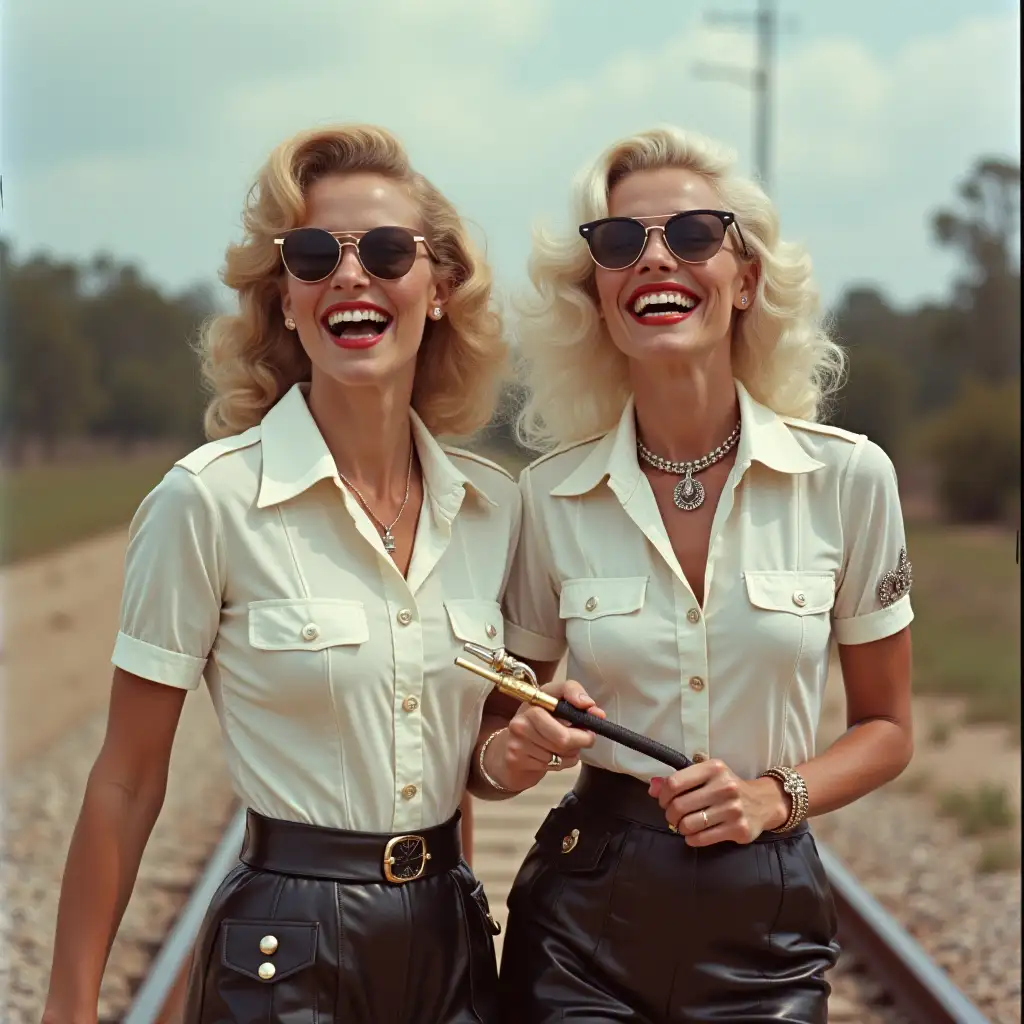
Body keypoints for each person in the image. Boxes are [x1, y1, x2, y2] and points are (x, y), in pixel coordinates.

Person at [41, 124, 519, 1024]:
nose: (350, 276)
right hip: (284, 949)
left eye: (385, 251)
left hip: (451, 941)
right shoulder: (208, 503)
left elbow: (475, 755)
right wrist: (67, 1009)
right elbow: (126, 778)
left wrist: (513, 753)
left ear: (441, 288)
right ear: (287, 302)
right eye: (312, 256)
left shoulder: (494, 515)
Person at [474, 126, 915, 1024]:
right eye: (622, 243)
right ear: (596, 293)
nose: (655, 260)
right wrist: (518, 748)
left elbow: (888, 728)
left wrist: (772, 796)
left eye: (693, 236)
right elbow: (489, 742)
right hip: (581, 921)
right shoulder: (548, 497)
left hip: (767, 919)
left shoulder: (848, 479)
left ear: (746, 277)